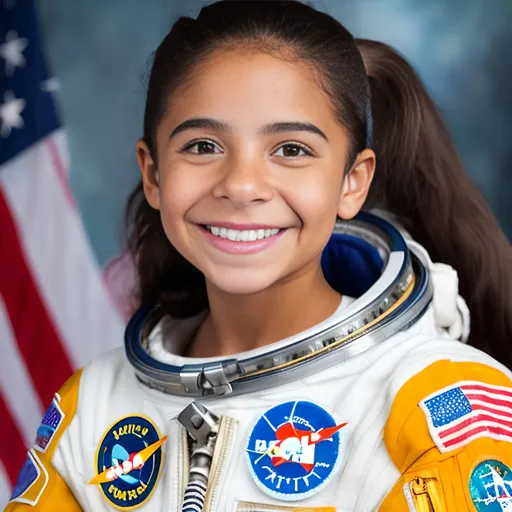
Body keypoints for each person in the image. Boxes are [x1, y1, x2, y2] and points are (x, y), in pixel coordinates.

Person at [7, 1, 512, 511]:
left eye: (291, 150)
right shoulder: (90, 409)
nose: (242, 185)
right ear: (154, 174)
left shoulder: (438, 405)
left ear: (352, 182)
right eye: (203, 146)